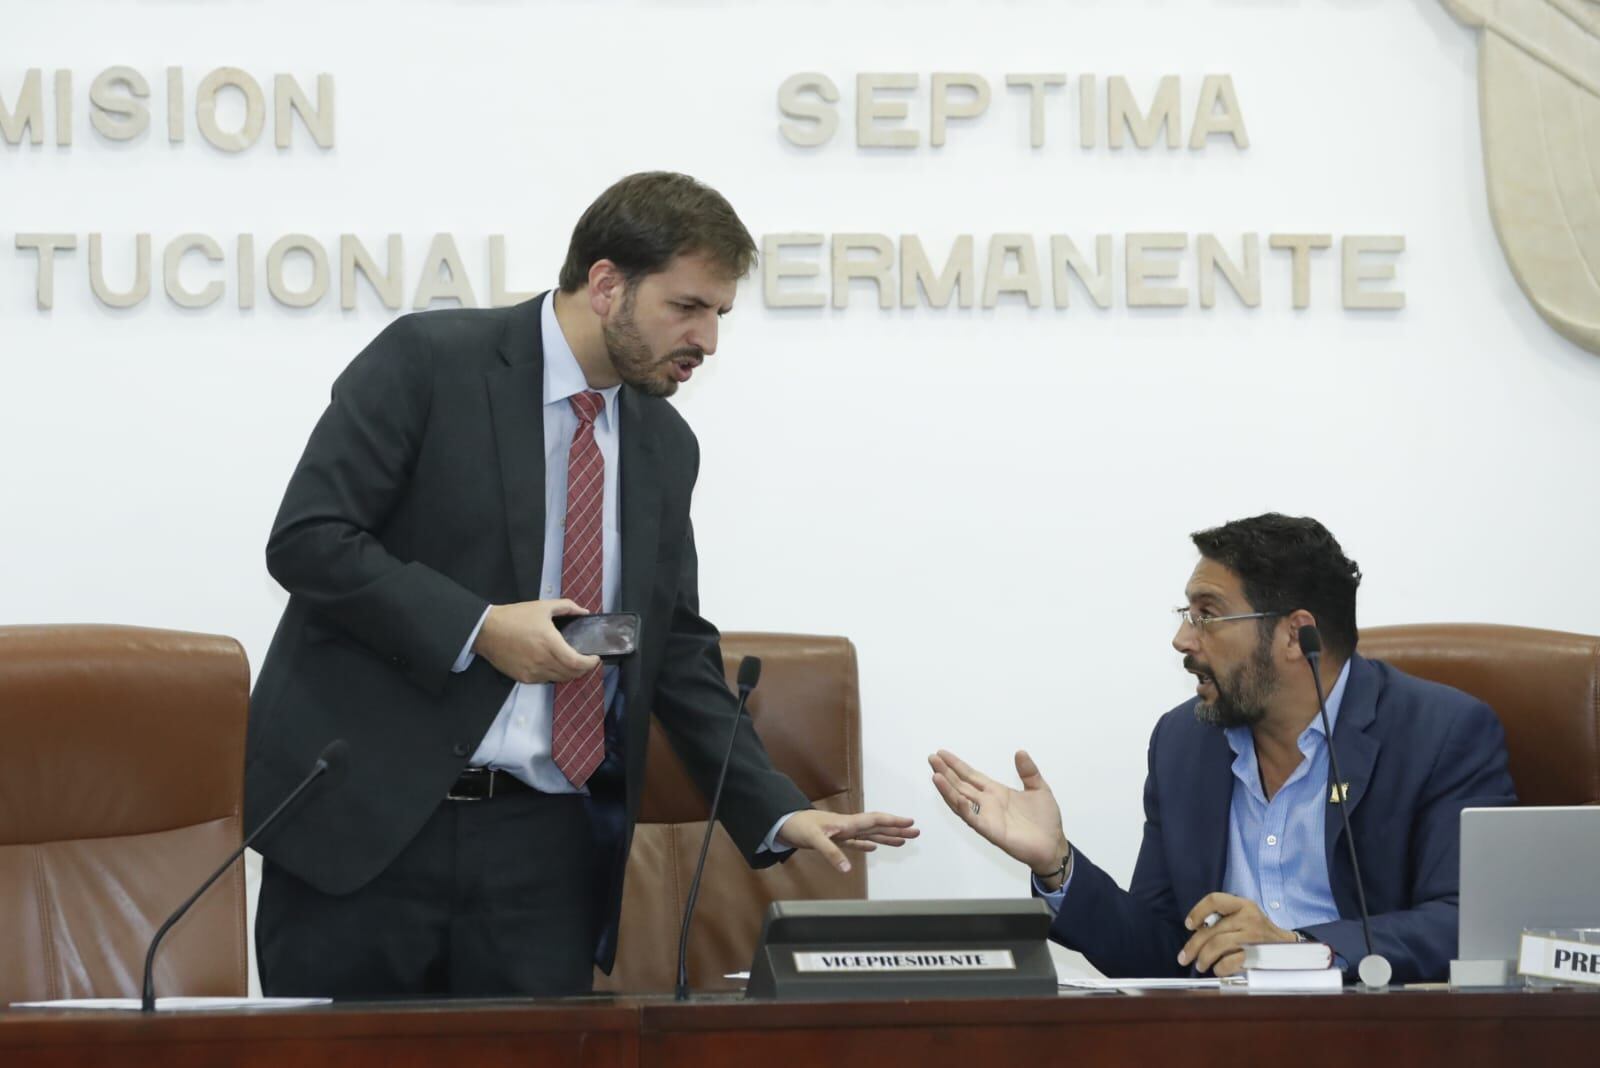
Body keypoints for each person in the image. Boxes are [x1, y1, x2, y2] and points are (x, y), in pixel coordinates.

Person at [246, 171, 916, 998]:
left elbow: (672, 650)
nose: (708, 339)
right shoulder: (430, 362)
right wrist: (480, 628)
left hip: (544, 856)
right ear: (606, 284)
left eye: (720, 314)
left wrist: (777, 807)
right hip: (371, 832)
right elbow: (310, 541)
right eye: (688, 306)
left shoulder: (665, 447)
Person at [930, 513, 1515, 983]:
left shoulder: (1441, 733)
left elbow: (1465, 923)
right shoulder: (1184, 742)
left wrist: (1298, 950)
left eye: (1208, 615)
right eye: (1187, 614)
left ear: (1294, 634)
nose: (1183, 639)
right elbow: (1161, 947)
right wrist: (1057, 866)